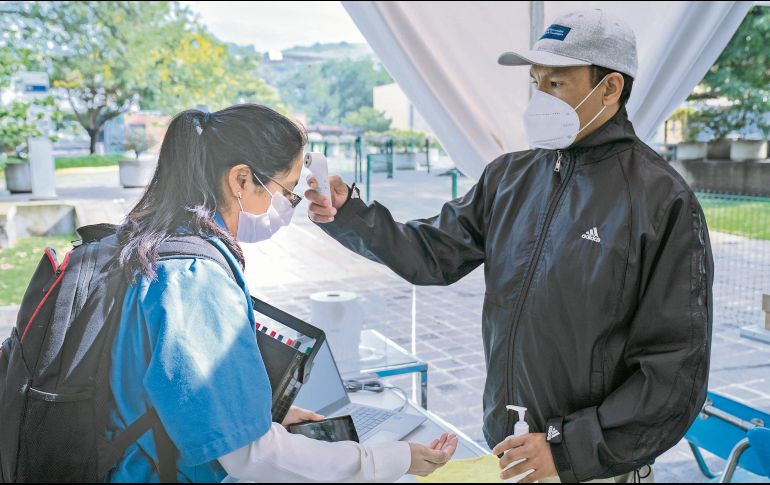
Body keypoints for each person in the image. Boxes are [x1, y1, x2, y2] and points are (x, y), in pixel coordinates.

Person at [306, 9, 713, 484]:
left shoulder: (660, 200)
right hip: (509, 451)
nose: (540, 98)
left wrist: (565, 449)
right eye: (535, 82)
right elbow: (432, 254)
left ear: (610, 89)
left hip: (591, 468)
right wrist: (351, 214)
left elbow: (674, 372)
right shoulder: (509, 177)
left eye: (556, 84)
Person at [107, 104, 457, 483]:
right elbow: (253, 456)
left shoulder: (152, 242)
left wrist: (252, 413)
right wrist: (392, 459)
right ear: (241, 180)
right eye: (286, 191)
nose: (287, 207)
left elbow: (170, 390)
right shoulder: (196, 281)